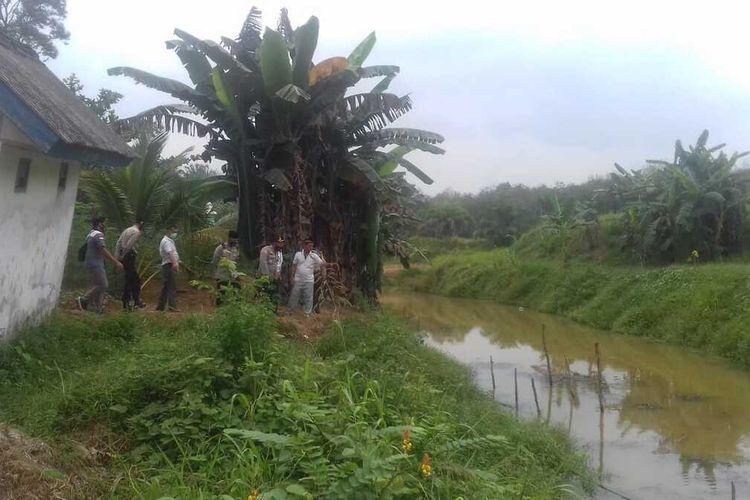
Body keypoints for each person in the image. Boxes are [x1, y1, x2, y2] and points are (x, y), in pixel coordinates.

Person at [77, 217, 123, 313]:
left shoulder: (90, 234)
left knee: (97, 284)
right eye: (103, 223)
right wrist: (116, 262)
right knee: (103, 284)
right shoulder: (98, 235)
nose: (104, 225)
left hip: (91, 262)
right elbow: (102, 250)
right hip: (96, 264)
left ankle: (97, 307)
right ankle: (83, 300)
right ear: (99, 224)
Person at [115, 221, 145, 311]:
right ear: (141, 224)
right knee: (134, 279)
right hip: (129, 255)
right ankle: (135, 301)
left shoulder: (127, 230)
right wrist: (124, 255)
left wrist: (117, 257)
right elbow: (129, 245)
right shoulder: (136, 232)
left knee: (130, 279)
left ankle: (129, 302)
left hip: (124, 257)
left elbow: (118, 242)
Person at [288, 239, 324, 315]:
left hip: (309, 280)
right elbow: (294, 266)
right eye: (309, 246)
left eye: (312, 246)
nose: (311, 247)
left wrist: (327, 265)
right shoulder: (298, 254)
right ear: (304, 246)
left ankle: (307, 313)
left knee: (308, 297)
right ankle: (290, 311)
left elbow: (322, 263)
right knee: (294, 296)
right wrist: (292, 277)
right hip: (298, 279)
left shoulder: (314, 256)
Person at [212, 230, 241, 305]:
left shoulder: (236, 249)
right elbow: (215, 261)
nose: (235, 241)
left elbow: (236, 262)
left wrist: (236, 274)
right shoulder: (221, 248)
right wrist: (216, 273)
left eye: (236, 239)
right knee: (221, 295)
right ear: (229, 238)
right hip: (222, 275)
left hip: (233, 275)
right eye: (233, 239)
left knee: (235, 294)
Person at [156, 226, 180, 312]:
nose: (175, 232)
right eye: (173, 230)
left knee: (166, 286)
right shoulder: (166, 241)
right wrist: (175, 263)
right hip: (169, 265)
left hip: (168, 264)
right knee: (171, 286)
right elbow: (170, 253)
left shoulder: (169, 241)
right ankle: (172, 307)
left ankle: (160, 306)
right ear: (168, 230)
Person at [258, 237, 284, 309]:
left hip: (274, 278)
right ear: (274, 243)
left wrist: (279, 275)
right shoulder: (266, 250)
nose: (280, 246)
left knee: (274, 296)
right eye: (279, 244)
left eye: (282, 244)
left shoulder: (279, 253)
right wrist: (266, 276)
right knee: (264, 295)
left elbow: (279, 265)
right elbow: (263, 263)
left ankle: (273, 311)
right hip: (264, 278)